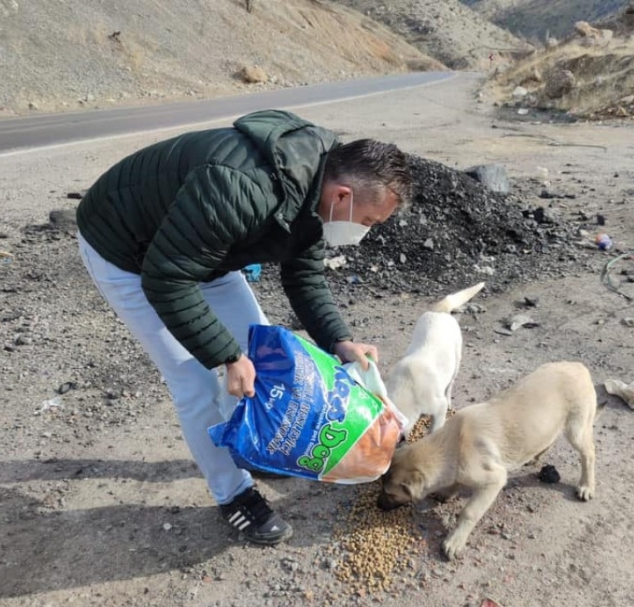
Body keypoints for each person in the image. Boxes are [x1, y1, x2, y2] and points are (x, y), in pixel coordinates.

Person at [75, 109, 412, 546]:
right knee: (195, 382)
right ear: (343, 196)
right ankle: (234, 495)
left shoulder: (317, 188)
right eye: (368, 222)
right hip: (129, 254)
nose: (365, 233)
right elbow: (167, 278)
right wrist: (226, 356)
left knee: (265, 358)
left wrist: (339, 341)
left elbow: (303, 275)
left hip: (202, 250)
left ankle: (250, 445)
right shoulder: (240, 187)